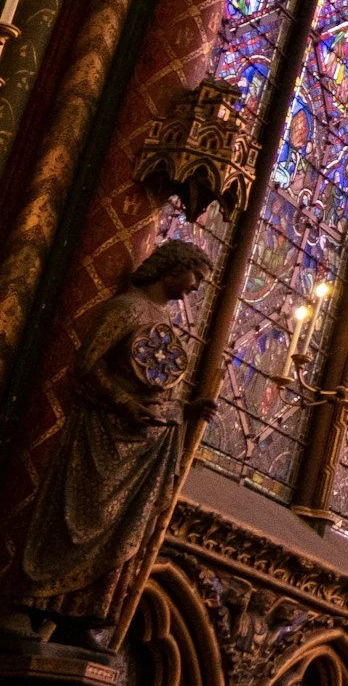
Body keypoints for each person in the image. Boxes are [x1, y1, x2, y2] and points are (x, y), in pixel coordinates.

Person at [7, 240, 214, 651]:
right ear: (173, 267)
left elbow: (154, 379)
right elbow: (88, 363)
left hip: (146, 440)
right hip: (104, 432)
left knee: (120, 531)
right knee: (78, 516)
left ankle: (79, 614)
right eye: (196, 277)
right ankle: (27, 606)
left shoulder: (161, 316)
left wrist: (188, 410)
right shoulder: (127, 308)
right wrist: (123, 403)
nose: (195, 288)